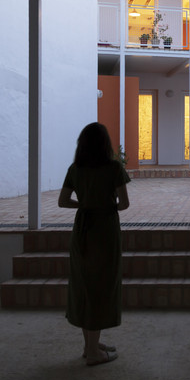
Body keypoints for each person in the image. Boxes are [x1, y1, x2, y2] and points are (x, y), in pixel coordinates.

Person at [58, 122, 130, 366]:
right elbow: (124, 204)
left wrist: (85, 204)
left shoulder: (75, 168)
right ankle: (93, 353)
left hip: (82, 229)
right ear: (105, 144)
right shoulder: (113, 168)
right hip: (105, 230)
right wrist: (103, 205)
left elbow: (63, 201)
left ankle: (89, 344)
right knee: (102, 285)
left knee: (84, 283)